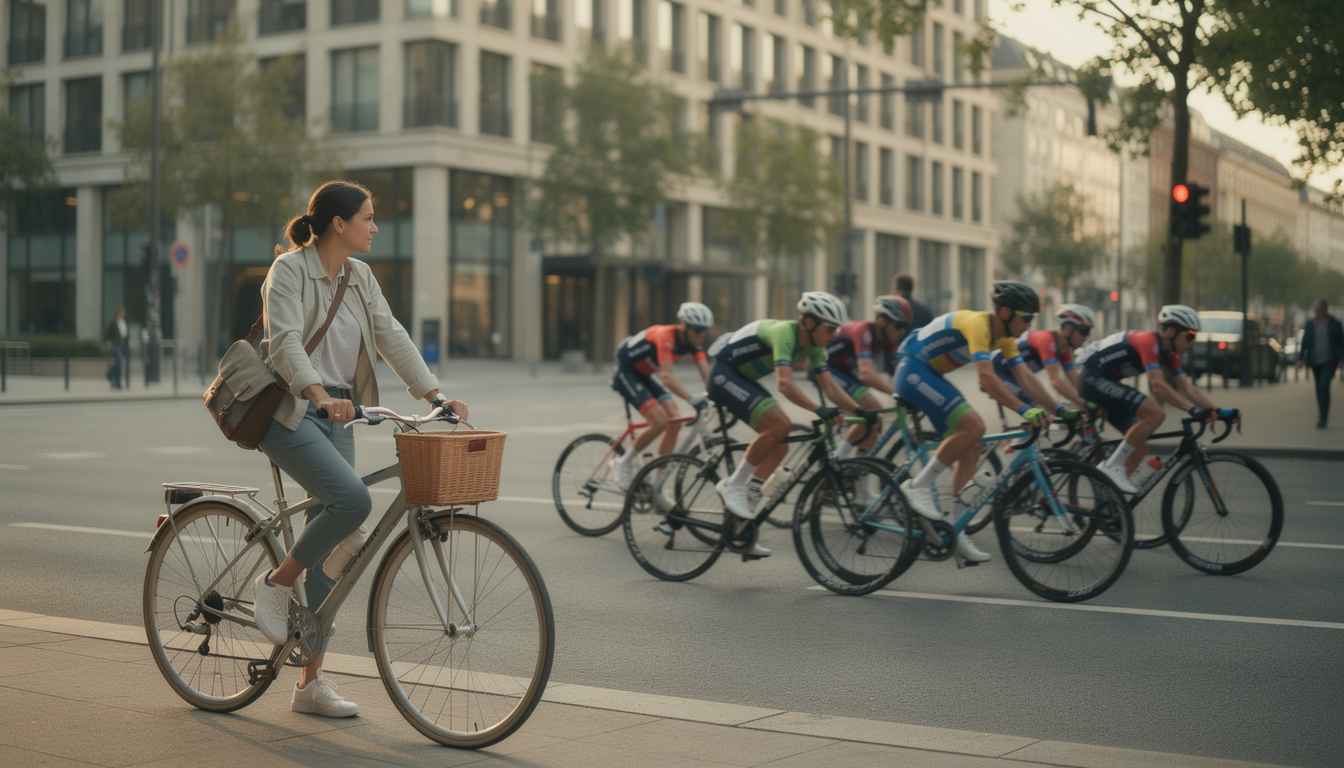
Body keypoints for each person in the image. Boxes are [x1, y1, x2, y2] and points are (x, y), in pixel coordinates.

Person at [248, 180, 468, 718]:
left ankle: (308, 685)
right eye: (368, 218)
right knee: (353, 503)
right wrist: (318, 393)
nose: (375, 226)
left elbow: (391, 335)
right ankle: (275, 584)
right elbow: (285, 340)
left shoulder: (359, 275)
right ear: (339, 224)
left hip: (338, 414)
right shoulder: (291, 271)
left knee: (334, 555)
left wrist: (434, 394)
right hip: (291, 412)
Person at [894, 281, 1055, 564]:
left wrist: (1060, 407)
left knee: (972, 448)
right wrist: (1024, 409)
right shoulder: (979, 325)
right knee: (975, 427)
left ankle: (956, 529)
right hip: (912, 369)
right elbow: (986, 377)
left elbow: (1026, 377)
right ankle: (917, 486)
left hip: (928, 373)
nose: (1030, 325)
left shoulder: (1004, 337)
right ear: (1005, 312)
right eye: (1026, 317)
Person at [705, 291, 875, 557]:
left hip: (744, 379)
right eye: (829, 329)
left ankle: (743, 521)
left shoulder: (816, 347)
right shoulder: (784, 332)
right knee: (779, 426)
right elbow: (784, 384)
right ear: (809, 322)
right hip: (724, 374)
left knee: (779, 447)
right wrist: (819, 409)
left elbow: (829, 385)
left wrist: (862, 411)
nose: (833, 335)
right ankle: (733, 484)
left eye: (836, 329)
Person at [1075, 305, 1235, 493]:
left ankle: (1112, 500)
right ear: (1171, 331)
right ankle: (1111, 468)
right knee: (1156, 413)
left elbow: (1188, 388)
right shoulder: (1149, 342)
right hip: (1092, 379)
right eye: (1190, 336)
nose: (1193, 342)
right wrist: (1193, 411)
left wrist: (1219, 411)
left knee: (1140, 446)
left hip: (1106, 382)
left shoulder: (1170, 353)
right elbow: (1158, 385)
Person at [609, 302, 715, 489]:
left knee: (675, 422)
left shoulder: (694, 343)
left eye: (704, 330)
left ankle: (657, 486)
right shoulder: (666, 336)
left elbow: (707, 374)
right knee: (659, 422)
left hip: (645, 375)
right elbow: (666, 377)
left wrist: (718, 397)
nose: (701, 335)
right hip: (627, 372)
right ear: (684, 326)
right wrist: (691, 399)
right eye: (697, 329)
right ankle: (622, 462)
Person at [824, 295, 912, 460]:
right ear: (882, 321)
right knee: (872, 409)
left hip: (843, 371)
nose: (902, 331)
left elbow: (901, 369)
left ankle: (859, 473)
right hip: (824, 368)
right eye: (899, 325)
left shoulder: (888, 339)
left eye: (905, 326)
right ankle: (838, 460)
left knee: (873, 420)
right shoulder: (863, 331)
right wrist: (897, 394)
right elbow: (867, 374)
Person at [986, 303, 1094, 420]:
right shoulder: (1047, 340)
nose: (1086, 337)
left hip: (1016, 376)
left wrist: (1092, 400)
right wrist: (1084, 403)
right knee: (1043, 413)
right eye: (1084, 331)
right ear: (1068, 329)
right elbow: (1055, 381)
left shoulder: (1064, 349)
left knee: (1057, 412)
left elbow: (1073, 377)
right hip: (997, 371)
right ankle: (1020, 437)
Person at [1298, 299, 1344, 428]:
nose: (1314, 309)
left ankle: (1323, 417)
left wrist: (1341, 359)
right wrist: (1300, 358)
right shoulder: (1311, 324)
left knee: (1324, 386)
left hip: (1329, 361)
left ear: (1323, 308)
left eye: (1316, 306)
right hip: (1315, 361)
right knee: (1319, 388)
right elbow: (1305, 341)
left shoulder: (1334, 323)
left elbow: (1341, 342)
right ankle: (1322, 414)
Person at [103, 305, 129, 389]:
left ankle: (112, 378)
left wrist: (128, 341)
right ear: (118, 313)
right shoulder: (113, 322)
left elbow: (125, 334)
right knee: (119, 362)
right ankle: (114, 379)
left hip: (123, 344)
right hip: (116, 345)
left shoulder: (123, 322)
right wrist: (109, 343)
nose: (124, 313)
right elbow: (108, 334)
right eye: (122, 312)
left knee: (119, 363)